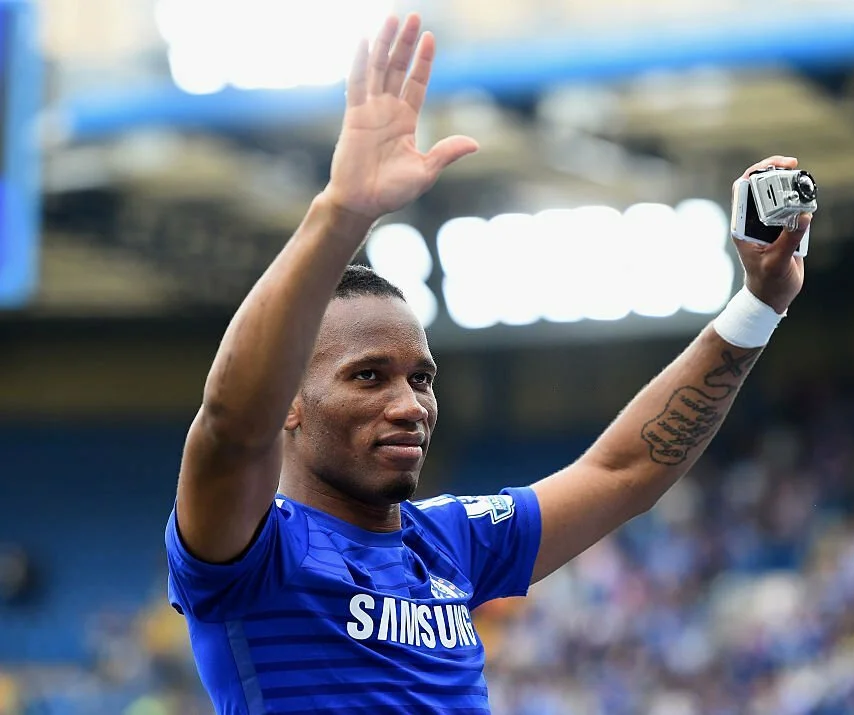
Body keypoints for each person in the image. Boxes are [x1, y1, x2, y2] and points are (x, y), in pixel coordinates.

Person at [164, 12, 812, 714]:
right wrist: (341, 213)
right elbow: (231, 425)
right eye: (368, 375)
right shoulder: (253, 553)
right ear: (290, 400)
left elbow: (623, 470)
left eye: (421, 377)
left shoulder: (451, 540)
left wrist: (760, 303)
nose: (410, 403)